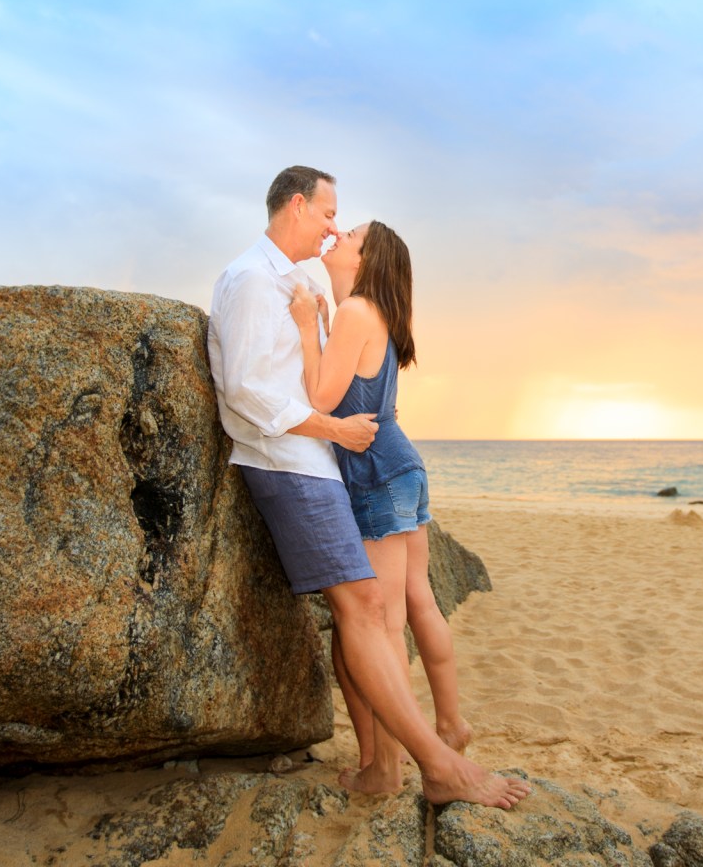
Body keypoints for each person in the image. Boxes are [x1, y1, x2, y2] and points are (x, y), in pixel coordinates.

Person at [206, 166, 529, 809]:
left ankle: (390, 765)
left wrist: (324, 368)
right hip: (291, 461)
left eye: (342, 224)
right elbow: (244, 390)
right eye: (330, 215)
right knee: (366, 609)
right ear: (298, 205)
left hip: (326, 461)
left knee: (369, 613)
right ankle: (436, 764)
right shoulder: (248, 280)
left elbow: (325, 376)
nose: (334, 228)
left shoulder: (299, 283)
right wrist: (331, 424)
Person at [287, 220, 471, 795]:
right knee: (419, 600)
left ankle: (386, 769)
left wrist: (303, 329)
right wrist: (323, 319)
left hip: (374, 473)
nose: (337, 233)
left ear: (366, 260)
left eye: (351, 235)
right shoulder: (373, 313)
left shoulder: (354, 312)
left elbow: (319, 399)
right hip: (402, 464)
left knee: (383, 623)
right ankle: (450, 722)